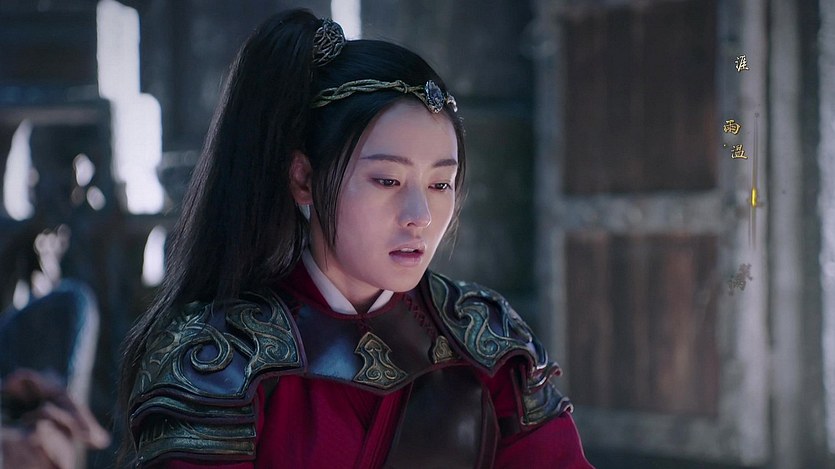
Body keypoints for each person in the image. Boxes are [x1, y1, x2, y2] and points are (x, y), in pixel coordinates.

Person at [120, 9, 594, 469]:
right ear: (304, 179)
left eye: (440, 184)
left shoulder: (487, 341)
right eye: (387, 180)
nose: (420, 216)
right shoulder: (217, 360)